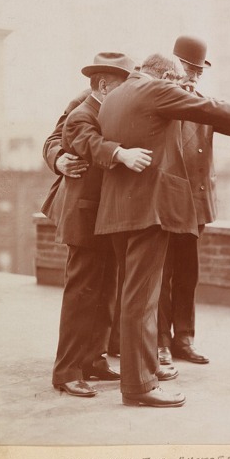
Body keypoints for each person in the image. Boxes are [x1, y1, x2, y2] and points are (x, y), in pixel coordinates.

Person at [95, 52, 230, 408]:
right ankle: (140, 386)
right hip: (149, 209)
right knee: (142, 300)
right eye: (176, 82)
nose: (180, 87)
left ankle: (140, 376)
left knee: (133, 297)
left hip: (118, 209)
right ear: (164, 76)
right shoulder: (155, 89)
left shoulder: (115, 97)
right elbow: (209, 107)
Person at [44, 52, 154, 397]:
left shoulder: (107, 109)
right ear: (104, 85)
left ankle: (93, 359)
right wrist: (118, 154)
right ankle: (67, 371)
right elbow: (81, 141)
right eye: (123, 86)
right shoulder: (83, 112)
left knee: (105, 292)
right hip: (84, 216)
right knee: (82, 294)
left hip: (105, 215)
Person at [157, 36, 216, 366]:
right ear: (173, 68)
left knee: (187, 274)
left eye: (198, 71)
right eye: (188, 69)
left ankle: (184, 339)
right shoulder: (160, 101)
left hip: (194, 205)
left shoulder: (203, 105)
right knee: (161, 275)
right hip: (165, 204)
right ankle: (161, 342)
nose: (193, 77)